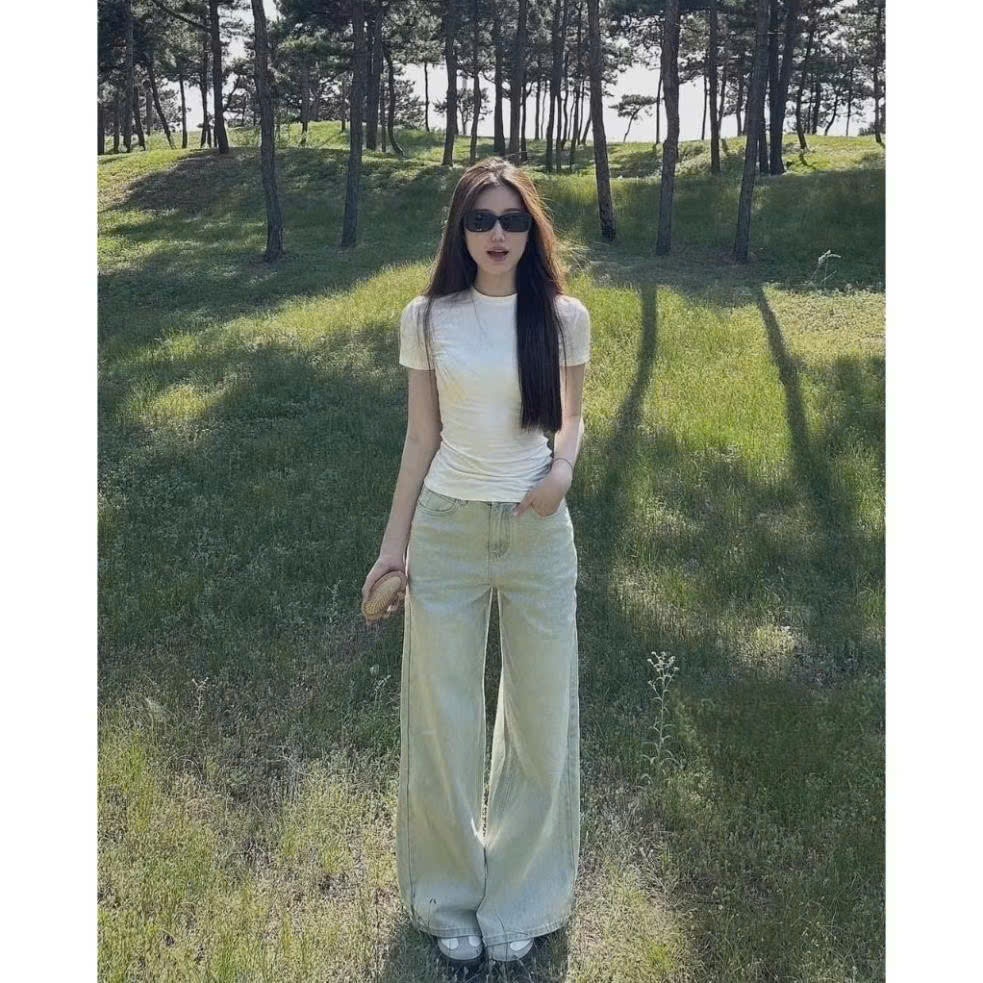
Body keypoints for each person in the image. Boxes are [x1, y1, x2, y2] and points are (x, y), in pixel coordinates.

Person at [360, 157, 591, 968]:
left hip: (537, 533)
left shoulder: (562, 317)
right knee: (442, 720)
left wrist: (561, 472)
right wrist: (393, 546)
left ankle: (521, 899)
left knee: (540, 719)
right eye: (482, 219)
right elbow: (420, 437)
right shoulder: (427, 318)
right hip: (448, 532)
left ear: (532, 230)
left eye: (513, 219)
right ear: (460, 230)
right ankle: (446, 897)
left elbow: (571, 417)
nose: (498, 233)